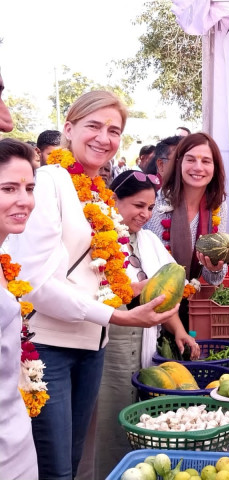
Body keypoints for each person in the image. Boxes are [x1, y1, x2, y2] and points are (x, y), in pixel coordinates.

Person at [8, 91, 178, 480]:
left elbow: (100, 277)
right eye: (94, 126)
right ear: (69, 129)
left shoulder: (100, 193)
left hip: (91, 346)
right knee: (55, 469)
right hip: (48, 348)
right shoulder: (49, 182)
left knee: (74, 459)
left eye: (114, 130)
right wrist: (119, 315)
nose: (104, 137)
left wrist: (149, 290)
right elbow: (34, 282)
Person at [79, 170, 200, 479]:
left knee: (138, 420)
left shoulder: (148, 241)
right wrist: (127, 292)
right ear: (114, 200)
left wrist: (180, 331)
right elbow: (82, 298)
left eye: (149, 207)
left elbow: (164, 295)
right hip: (108, 348)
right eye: (137, 205)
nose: (145, 214)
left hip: (142, 346)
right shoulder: (92, 236)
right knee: (105, 423)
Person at [146, 132, 229, 329]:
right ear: (179, 163)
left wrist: (214, 267)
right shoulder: (158, 202)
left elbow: (213, 277)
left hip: (193, 306)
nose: (198, 167)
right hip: (153, 306)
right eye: (191, 159)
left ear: (215, 167)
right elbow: (152, 267)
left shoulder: (218, 206)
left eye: (206, 161)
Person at [0, 139, 38, 479]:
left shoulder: (5, 257)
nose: (24, 200)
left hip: (16, 433)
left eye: (29, 188)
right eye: (9, 188)